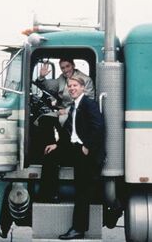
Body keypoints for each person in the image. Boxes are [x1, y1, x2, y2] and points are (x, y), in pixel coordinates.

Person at [40, 76, 105, 240]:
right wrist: (58, 145)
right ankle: (48, 194)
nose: (72, 88)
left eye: (75, 85)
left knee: (82, 190)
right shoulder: (74, 106)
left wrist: (87, 146)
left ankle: (78, 229)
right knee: (50, 155)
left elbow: (98, 127)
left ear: (82, 87)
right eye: (70, 86)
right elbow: (68, 130)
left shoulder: (89, 104)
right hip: (73, 147)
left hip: (85, 151)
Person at [35, 58, 95, 148]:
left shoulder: (86, 80)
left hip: (78, 113)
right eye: (62, 68)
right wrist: (41, 77)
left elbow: (88, 101)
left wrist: (68, 110)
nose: (65, 70)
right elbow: (51, 86)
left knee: (63, 124)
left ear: (73, 65)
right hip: (63, 110)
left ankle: (58, 149)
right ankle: (49, 149)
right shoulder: (62, 78)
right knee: (44, 119)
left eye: (68, 66)